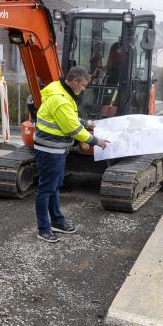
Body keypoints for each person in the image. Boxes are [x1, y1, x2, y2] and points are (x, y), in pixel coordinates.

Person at [32, 66, 110, 243]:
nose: (83, 89)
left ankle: (57, 222)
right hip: (50, 150)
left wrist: (85, 121)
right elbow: (72, 128)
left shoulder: (60, 91)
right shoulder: (61, 99)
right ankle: (43, 229)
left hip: (56, 149)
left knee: (54, 186)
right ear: (74, 81)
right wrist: (95, 141)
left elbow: (68, 118)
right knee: (46, 189)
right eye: (82, 85)